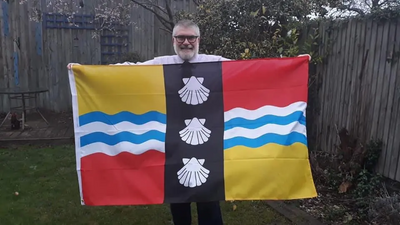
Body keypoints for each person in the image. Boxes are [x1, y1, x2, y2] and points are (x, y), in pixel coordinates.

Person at [67, 19, 310, 225]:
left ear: (198, 40)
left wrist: (294, 65)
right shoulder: (160, 64)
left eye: (191, 38)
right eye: (181, 38)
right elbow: (126, 72)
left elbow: (253, 72)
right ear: (173, 40)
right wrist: (85, 72)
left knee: (209, 198)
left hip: (209, 140)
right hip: (172, 143)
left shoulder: (215, 63)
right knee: (177, 196)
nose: (186, 42)